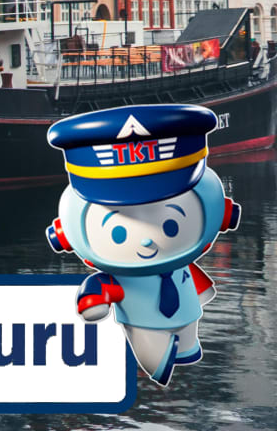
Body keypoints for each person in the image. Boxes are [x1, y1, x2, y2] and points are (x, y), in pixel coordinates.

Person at [44, 104, 242, 385]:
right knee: (156, 357)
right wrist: (94, 301)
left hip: (184, 316)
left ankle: (184, 351)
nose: (148, 239)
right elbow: (98, 293)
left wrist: (202, 291)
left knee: (186, 349)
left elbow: (191, 280)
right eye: (120, 231)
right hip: (143, 326)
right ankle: (161, 363)